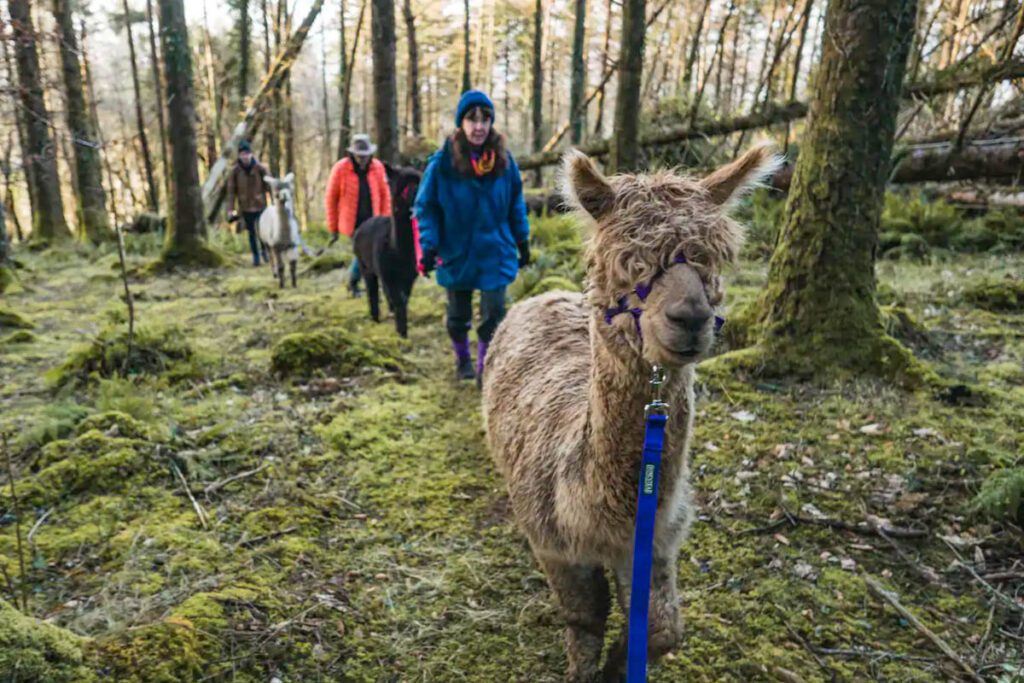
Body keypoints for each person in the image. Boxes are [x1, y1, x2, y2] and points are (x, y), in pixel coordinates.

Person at [414, 89, 530, 383]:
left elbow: (516, 202)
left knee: (494, 314)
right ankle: (463, 359)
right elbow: (425, 207)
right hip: (457, 252)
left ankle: (484, 368)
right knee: (458, 316)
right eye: (472, 119)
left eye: (485, 119)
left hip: (495, 251)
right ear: (461, 123)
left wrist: (522, 240)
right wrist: (429, 246)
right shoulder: (442, 164)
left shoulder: (504, 161)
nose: (479, 126)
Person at [325, 134, 392, 296]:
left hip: (374, 221)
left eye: (365, 156)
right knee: (362, 253)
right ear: (353, 154)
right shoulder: (341, 168)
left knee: (370, 253)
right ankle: (354, 281)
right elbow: (331, 199)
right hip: (352, 222)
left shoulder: (378, 167)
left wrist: (387, 219)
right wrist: (333, 227)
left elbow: (385, 196)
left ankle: (357, 282)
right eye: (359, 156)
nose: (362, 159)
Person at [225, 140, 270, 267]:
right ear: (239, 156)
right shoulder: (235, 172)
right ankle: (255, 256)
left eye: (247, 153)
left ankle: (265, 251)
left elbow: (269, 186)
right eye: (242, 154)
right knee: (251, 232)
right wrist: (230, 210)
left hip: (260, 205)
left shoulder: (260, 168)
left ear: (251, 154)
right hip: (245, 207)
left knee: (262, 231)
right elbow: (231, 193)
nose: (245, 156)